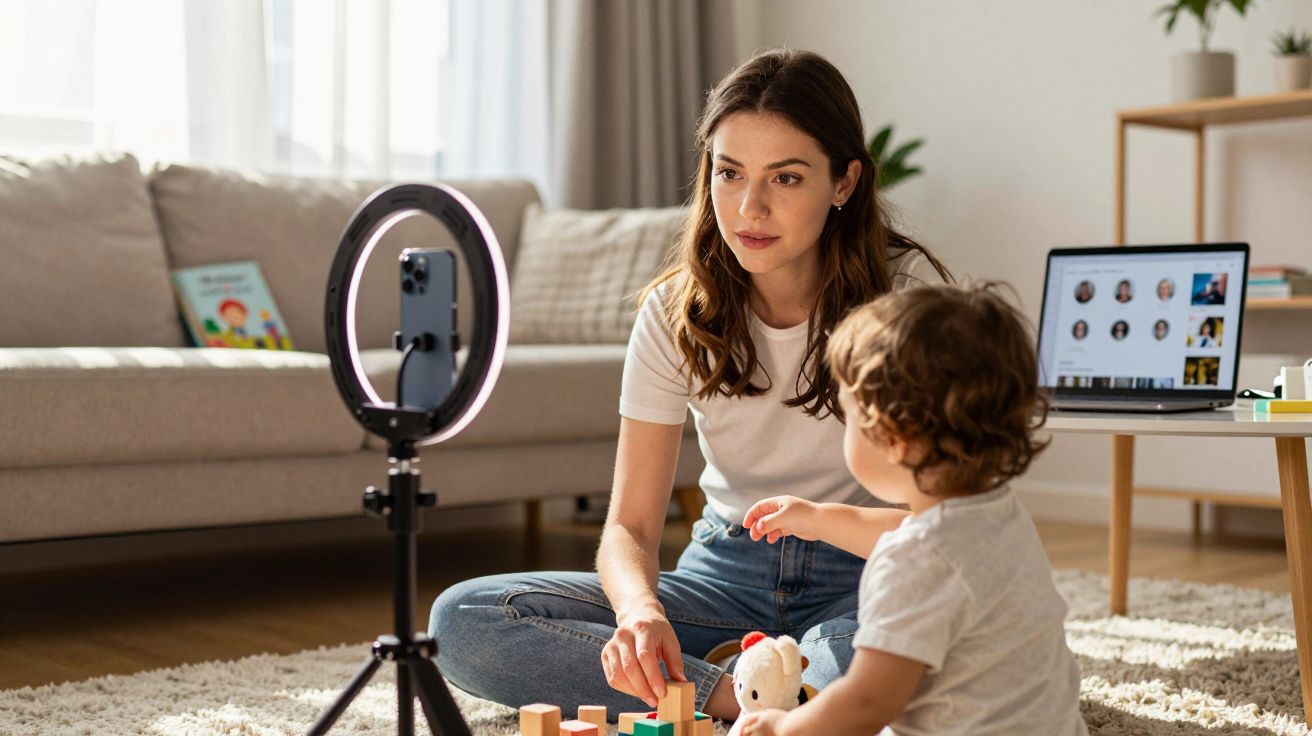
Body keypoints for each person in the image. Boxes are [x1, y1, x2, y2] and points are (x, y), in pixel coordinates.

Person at [428, 48, 951, 719]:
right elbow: (630, 524)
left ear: (844, 182)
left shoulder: (908, 303)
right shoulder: (676, 312)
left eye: (786, 178)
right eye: (729, 173)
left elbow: (942, 521)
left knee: (894, 655)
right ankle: (743, 695)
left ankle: (766, 692)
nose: (750, 207)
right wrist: (639, 613)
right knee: (464, 620)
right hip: (724, 578)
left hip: (863, 572)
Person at [735, 284, 1086, 736]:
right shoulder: (996, 512)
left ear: (895, 438)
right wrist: (816, 519)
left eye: (849, 416)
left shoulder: (914, 562)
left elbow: (867, 703)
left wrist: (785, 728)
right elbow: (905, 530)